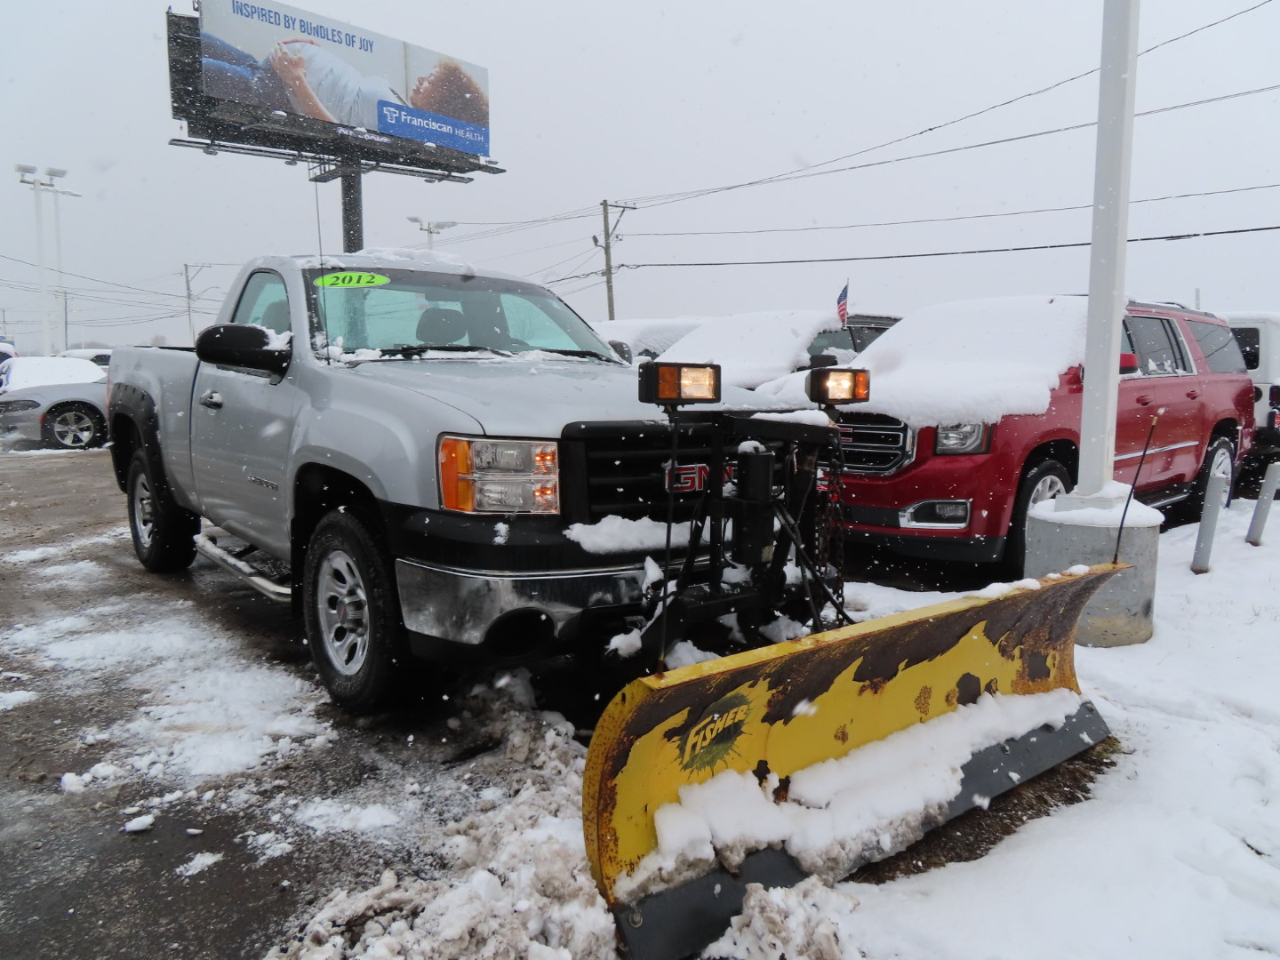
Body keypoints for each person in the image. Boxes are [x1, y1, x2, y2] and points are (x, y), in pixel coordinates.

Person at [200, 35, 488, 131]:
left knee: (187, 65)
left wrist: (298, 80)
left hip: (271, 89)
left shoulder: (406, 129)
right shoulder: (400, 106)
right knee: (189, 37)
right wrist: (315, 50)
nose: (422, 79)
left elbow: (338, 132)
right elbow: (348, 91)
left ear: (445, 101)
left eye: (432, 82)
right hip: (269, 70)